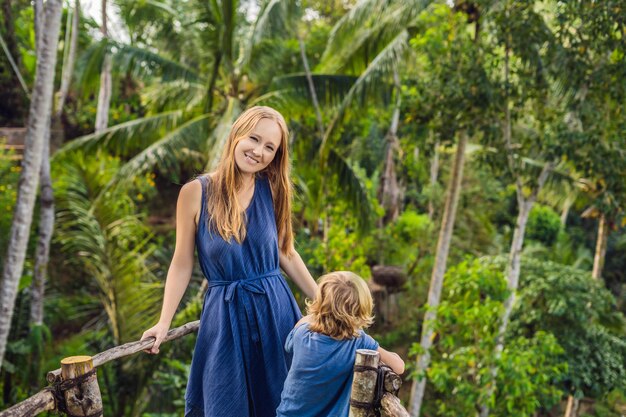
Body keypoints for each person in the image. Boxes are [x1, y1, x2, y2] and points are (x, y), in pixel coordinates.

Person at [140, 106, 317, 417]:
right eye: (254, 138)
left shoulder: (273, 190)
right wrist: (163, 321)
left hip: (275, 312)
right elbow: (182, 263)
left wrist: (325, 302)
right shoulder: (195, 193)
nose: (258, 151)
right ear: (237, 134)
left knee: (282, 403)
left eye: (269, 148)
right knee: (226, 401)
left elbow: (286, 252)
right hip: (225, 317)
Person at [276, 271, 405, 417]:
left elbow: (292, 341)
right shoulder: (359, 341)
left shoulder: (303, 334)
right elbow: (399, 367)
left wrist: (322, 312)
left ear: (319, 302)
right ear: (361, 310)